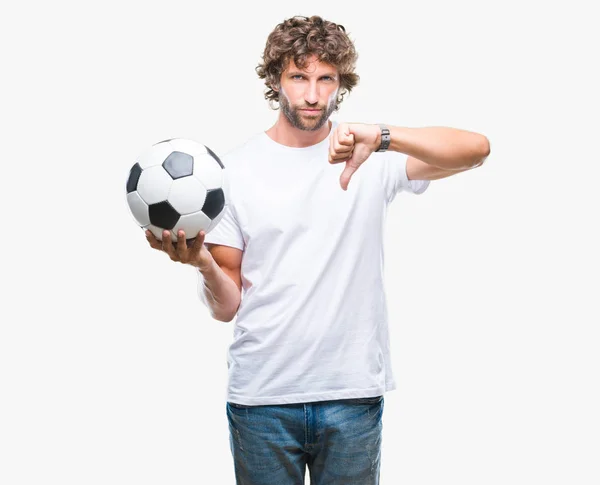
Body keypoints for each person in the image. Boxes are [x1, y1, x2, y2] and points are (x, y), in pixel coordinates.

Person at [145, 14, 490, 485]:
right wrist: (203, 262)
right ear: (276, 80)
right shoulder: (233, 174)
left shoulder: (369, 156)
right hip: (262, 400)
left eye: (326, 78)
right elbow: (226, 308)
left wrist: (384, 137)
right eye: (299, 77)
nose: (313, 94)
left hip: (351, 395)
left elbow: (476, 149)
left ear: (340, 83)